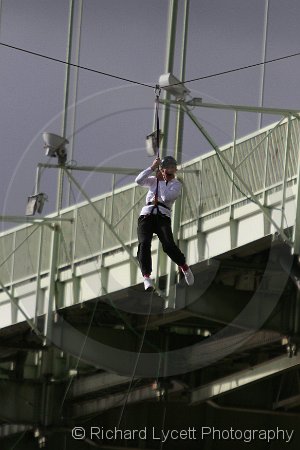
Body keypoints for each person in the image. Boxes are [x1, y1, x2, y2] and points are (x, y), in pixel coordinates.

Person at [135, 155, 194, 291]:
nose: (170, 169)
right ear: (162, 169)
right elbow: (138, 180)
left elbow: (166, 197)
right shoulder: (153, 181)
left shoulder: (176, 184)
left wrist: (160, 182)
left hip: (162, 215)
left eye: (172, 167)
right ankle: (146, 277)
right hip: (147, 215)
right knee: (144, 243)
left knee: (168, 245)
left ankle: (183, 266)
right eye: (167, 167)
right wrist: (151, 168)